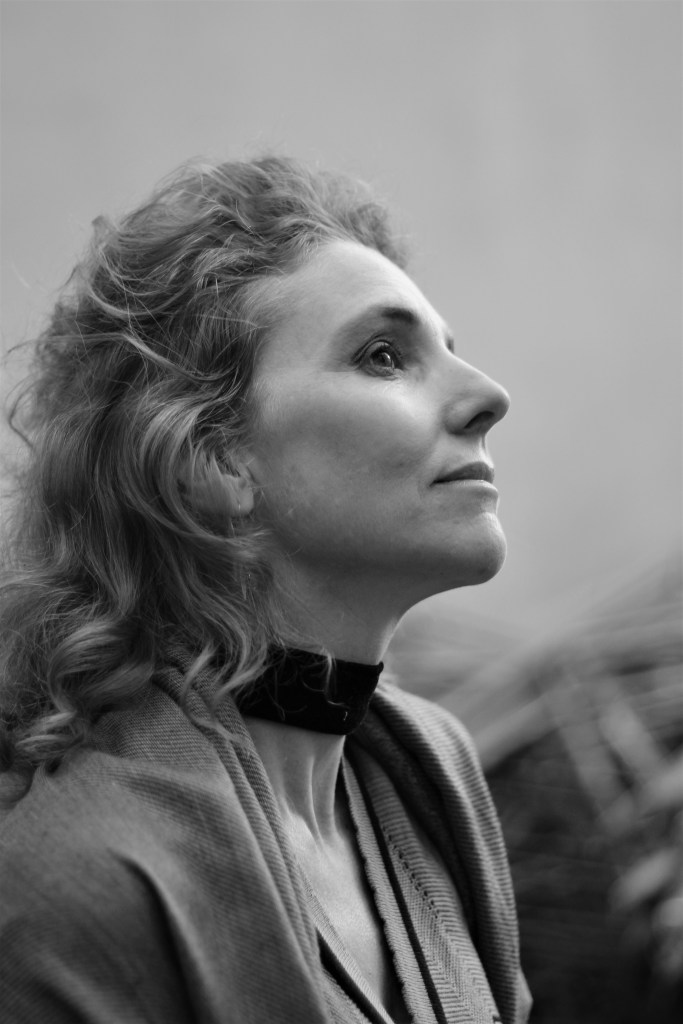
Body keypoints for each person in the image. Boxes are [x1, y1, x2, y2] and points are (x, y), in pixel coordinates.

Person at [0, 156, 531, 1024]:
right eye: (384, 356)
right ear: (212, 457)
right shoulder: (71, 890)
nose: (487, 396)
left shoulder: (433, 778)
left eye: (449, 349)